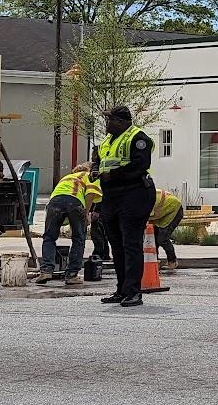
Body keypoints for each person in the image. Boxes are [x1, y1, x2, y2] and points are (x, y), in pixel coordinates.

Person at [91, 105, 156, 308]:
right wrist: (95, 169)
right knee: (116, 244)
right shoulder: (107, 142)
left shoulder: (137, 138)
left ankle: (133, 292)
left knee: (131, 243)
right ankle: (122, 290)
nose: (107, 123)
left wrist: (114, 175)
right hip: (111, 196)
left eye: (110, 119)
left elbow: (140, 165)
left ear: (121, 121)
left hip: (134, 193)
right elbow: (99, 162)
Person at [35, 164, 102, 285]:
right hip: (74, 202)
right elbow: (91, 193)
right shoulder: (90, 176)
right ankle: (71, 275)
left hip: (54, 203)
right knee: (78, 239)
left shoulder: (67, 177)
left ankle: (46, 270)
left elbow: (60, 199)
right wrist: (86, 214)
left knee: (49, 237)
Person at [150, 189, 184, 270]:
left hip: (174, 210)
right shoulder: (141, 197)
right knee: (153, 239)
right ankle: (154, 262)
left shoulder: (142, 202)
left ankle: (172, 261)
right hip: (163, 211)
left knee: (162, 238)